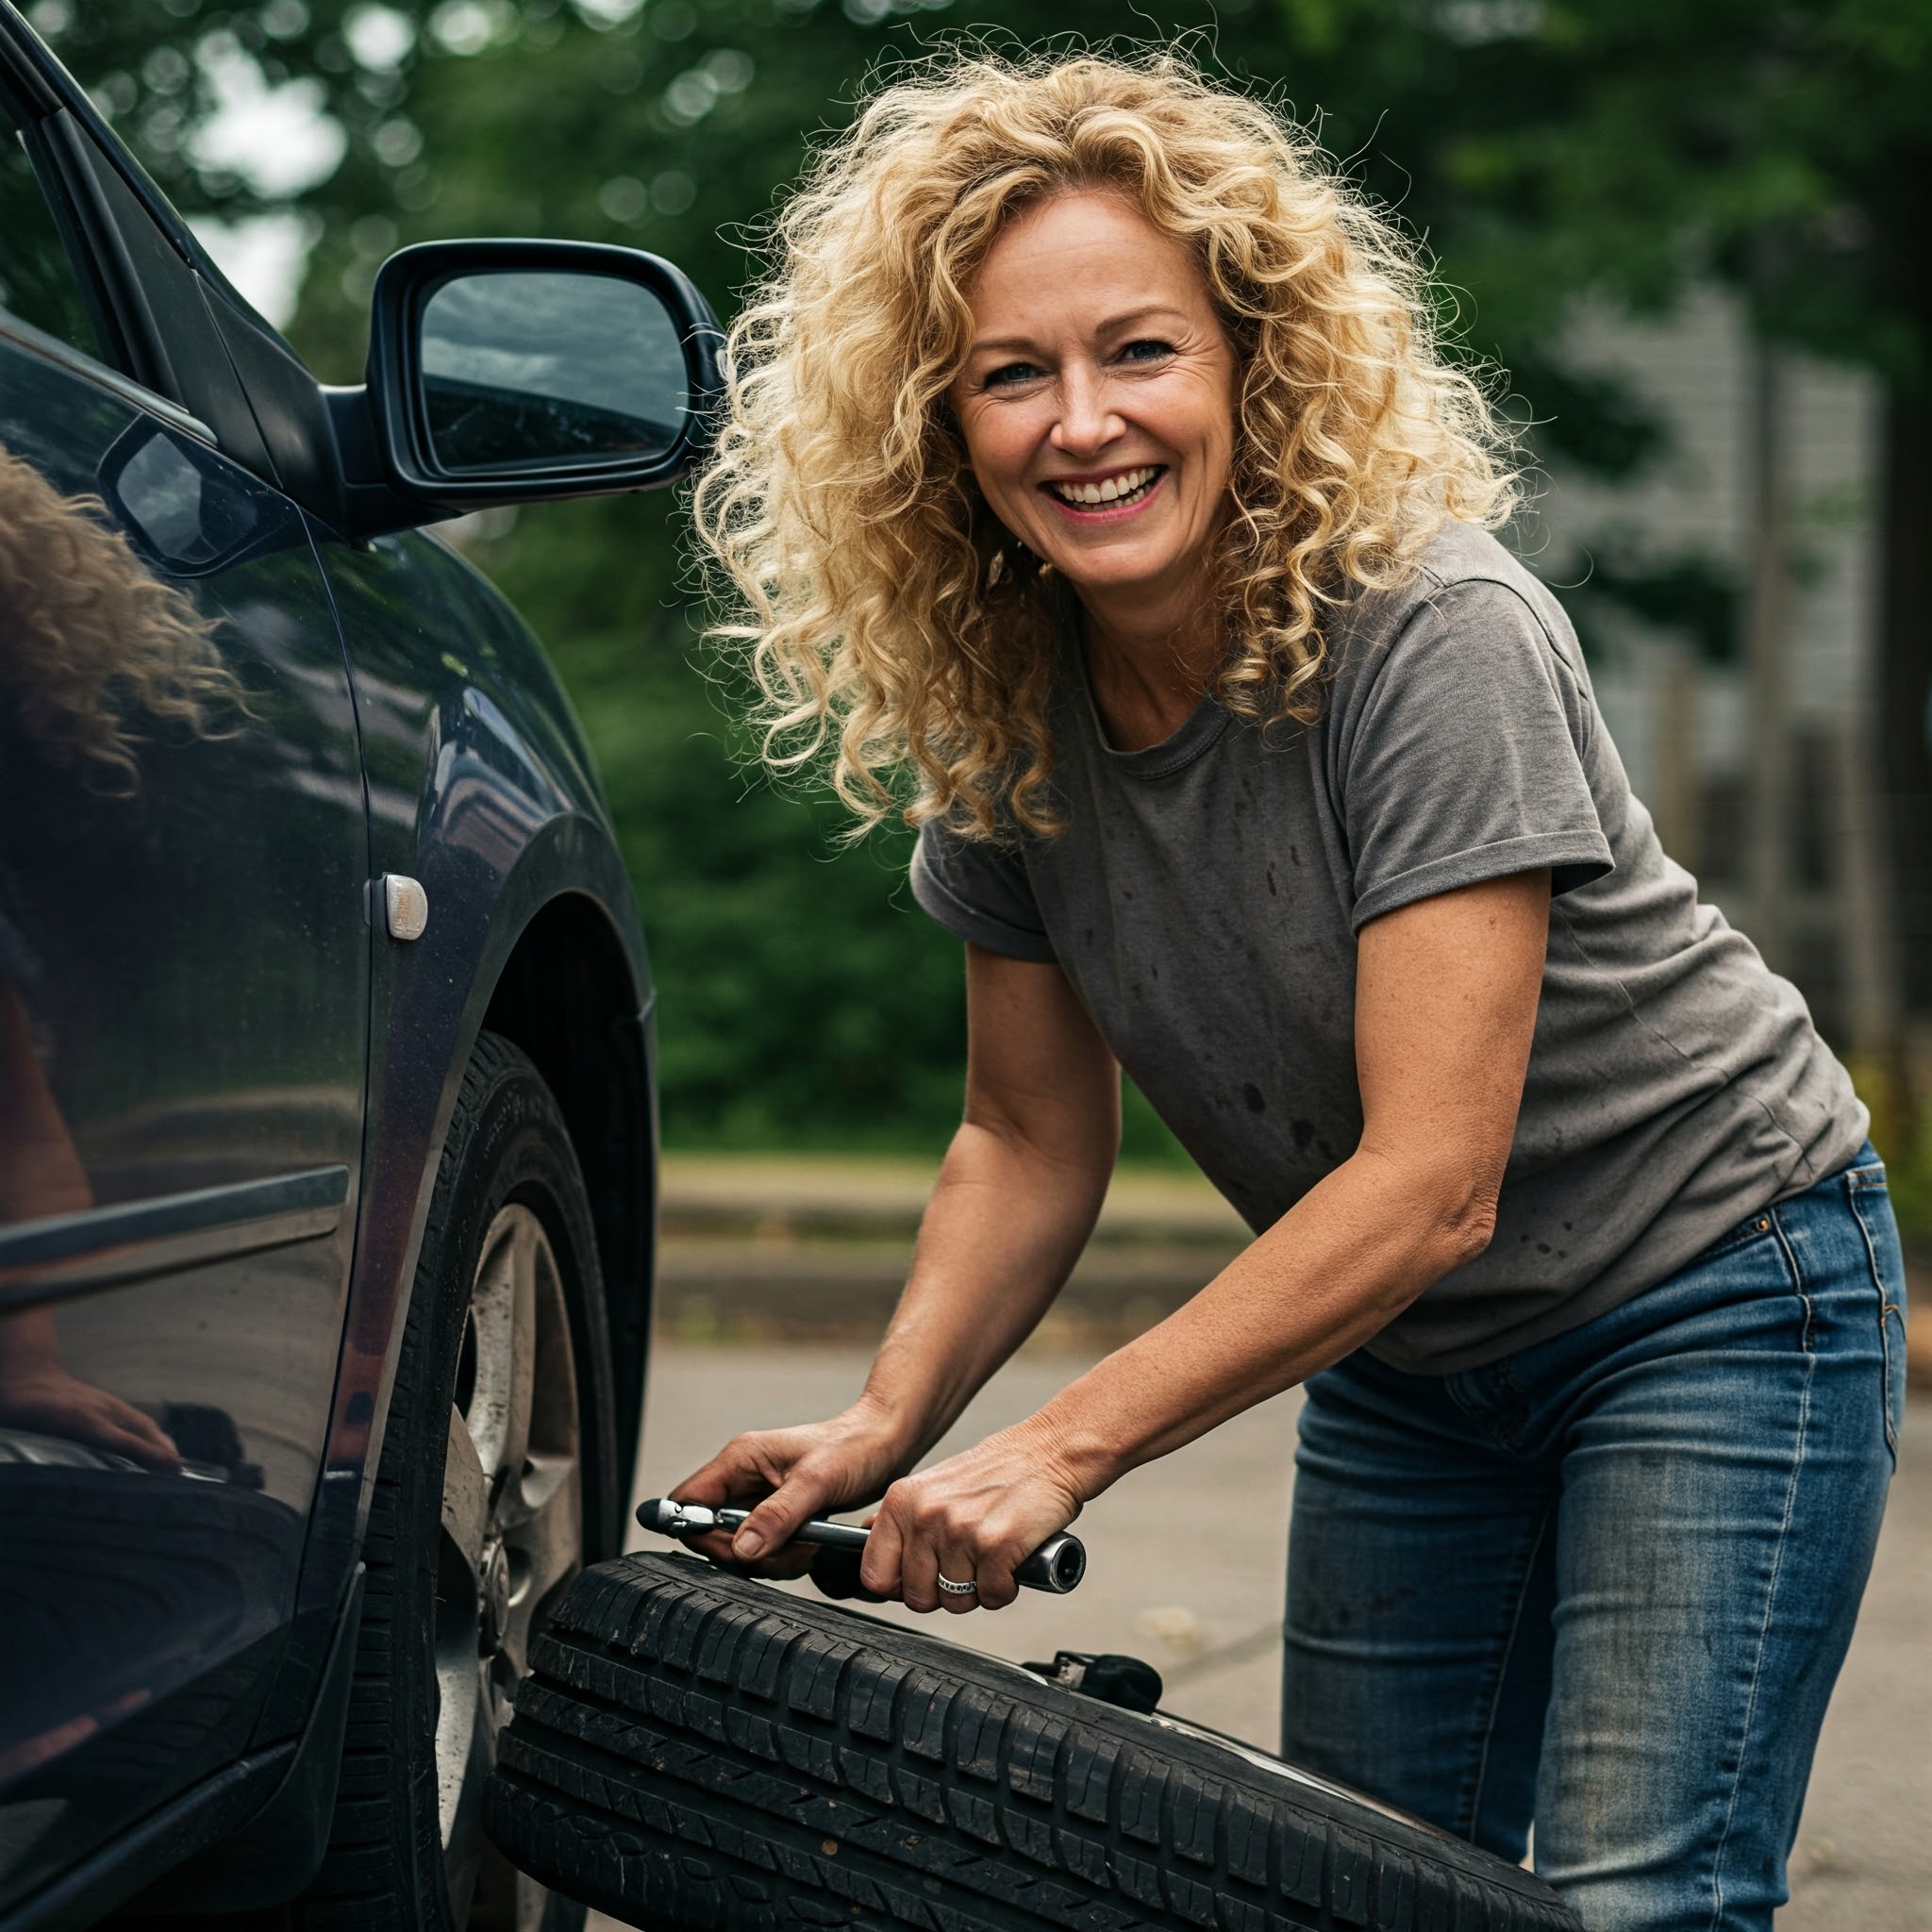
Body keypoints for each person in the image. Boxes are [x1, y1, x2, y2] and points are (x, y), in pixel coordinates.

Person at [674, 51, 1907, 1932]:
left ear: (1255, 364)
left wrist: (1064, 1440)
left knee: (1631, 1904)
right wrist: (890, 1418)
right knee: (1351, 1898)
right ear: (941, 428)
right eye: (1013, 374)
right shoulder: (1003, 710)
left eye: (1138, 352)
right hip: (1415, 1365)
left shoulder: (1436, 637)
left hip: (1710, 1287)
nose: (1082, 422)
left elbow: (1430, 1177)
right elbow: (1020, 1133)